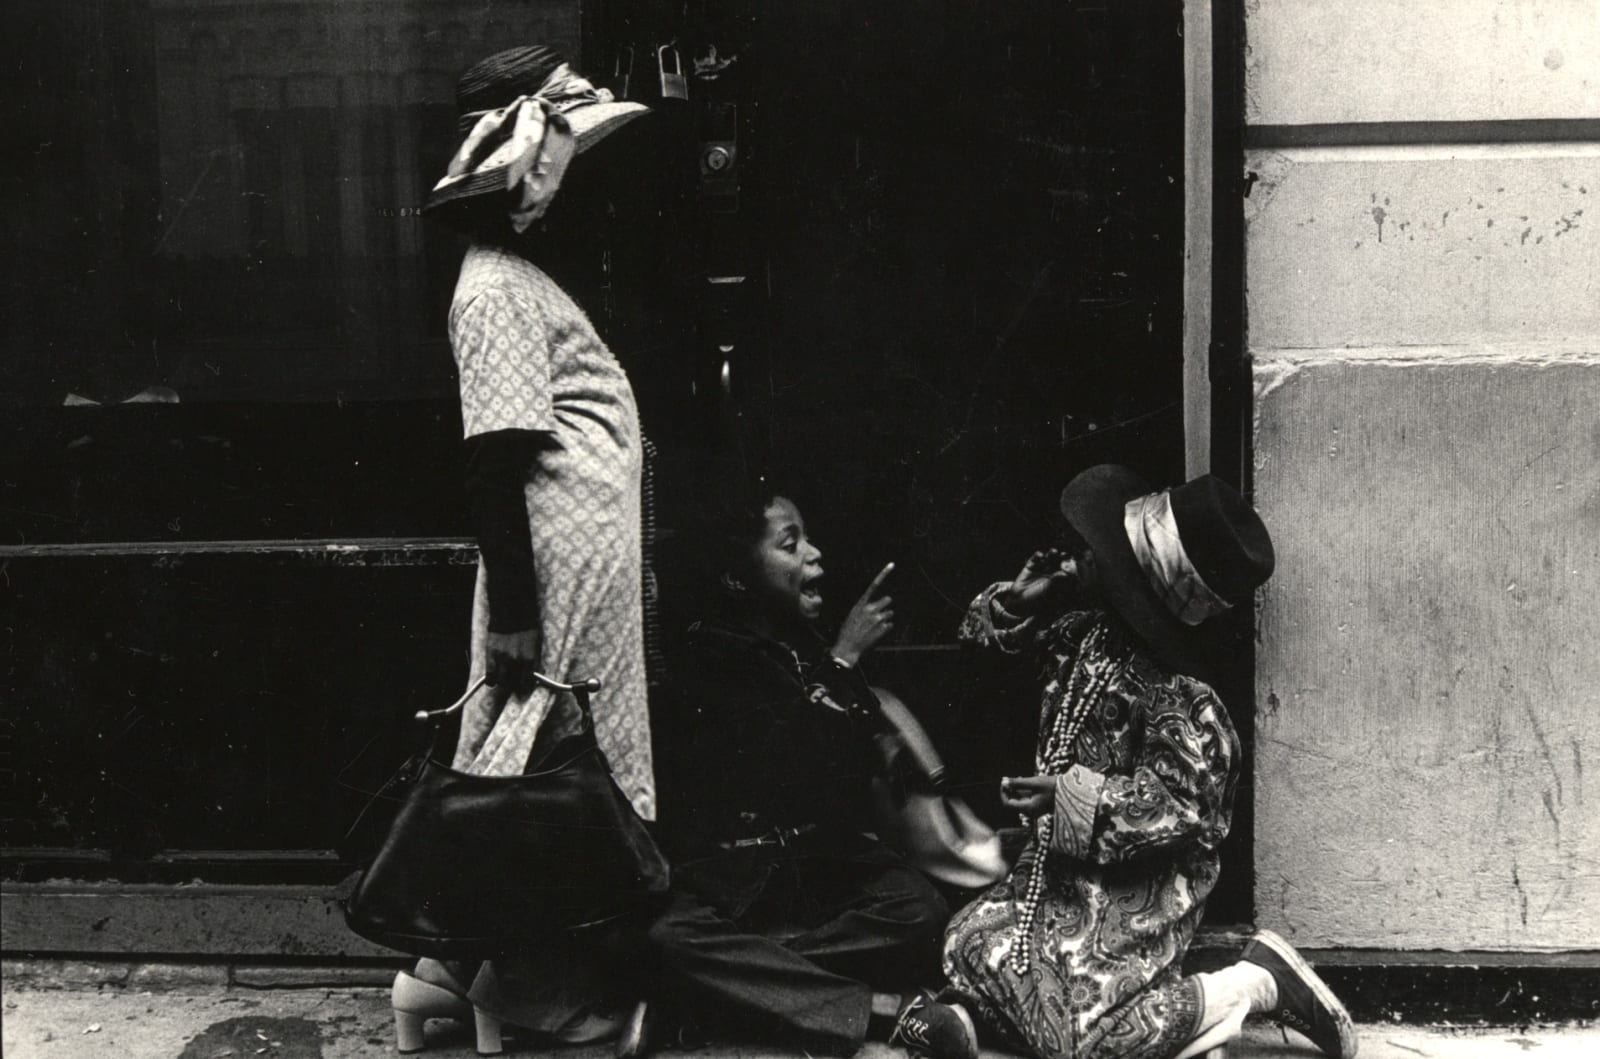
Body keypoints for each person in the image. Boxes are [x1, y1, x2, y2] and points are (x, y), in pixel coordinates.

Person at [384, 44, 659, 1055]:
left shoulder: (517, 278)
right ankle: (519, 996)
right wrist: (514, 610)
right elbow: (492, 465)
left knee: (529, 772)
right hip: (554, 575)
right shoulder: (495, 286)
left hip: (573, 567)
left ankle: (442, 984)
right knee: (539, 784)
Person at [916, 466, 1358, 1059]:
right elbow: (981, 668)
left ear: (1136, 583)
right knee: (967, 941)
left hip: (1133, 893)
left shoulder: (1180, 698)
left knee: (1089, 1038)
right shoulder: (1081, 635)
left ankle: (1255, 981)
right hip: (1059, 879)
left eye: (1096, 552)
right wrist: (1018, 603)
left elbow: (1183, 807)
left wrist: (1069, 798)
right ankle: (1002, 1018)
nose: (1077, 555)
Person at [639, 484, 972, 1059]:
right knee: (666, 935)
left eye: (808, 540)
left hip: (818, 866)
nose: (815, 555)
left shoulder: (800, 641)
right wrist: (842, 661)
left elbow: (841, 775)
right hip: (739, 877)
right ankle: (881, 1012)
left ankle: (728, 992)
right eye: (791, 545)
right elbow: (778, 764)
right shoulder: (709, 653)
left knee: (921, 911)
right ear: (738, 576)